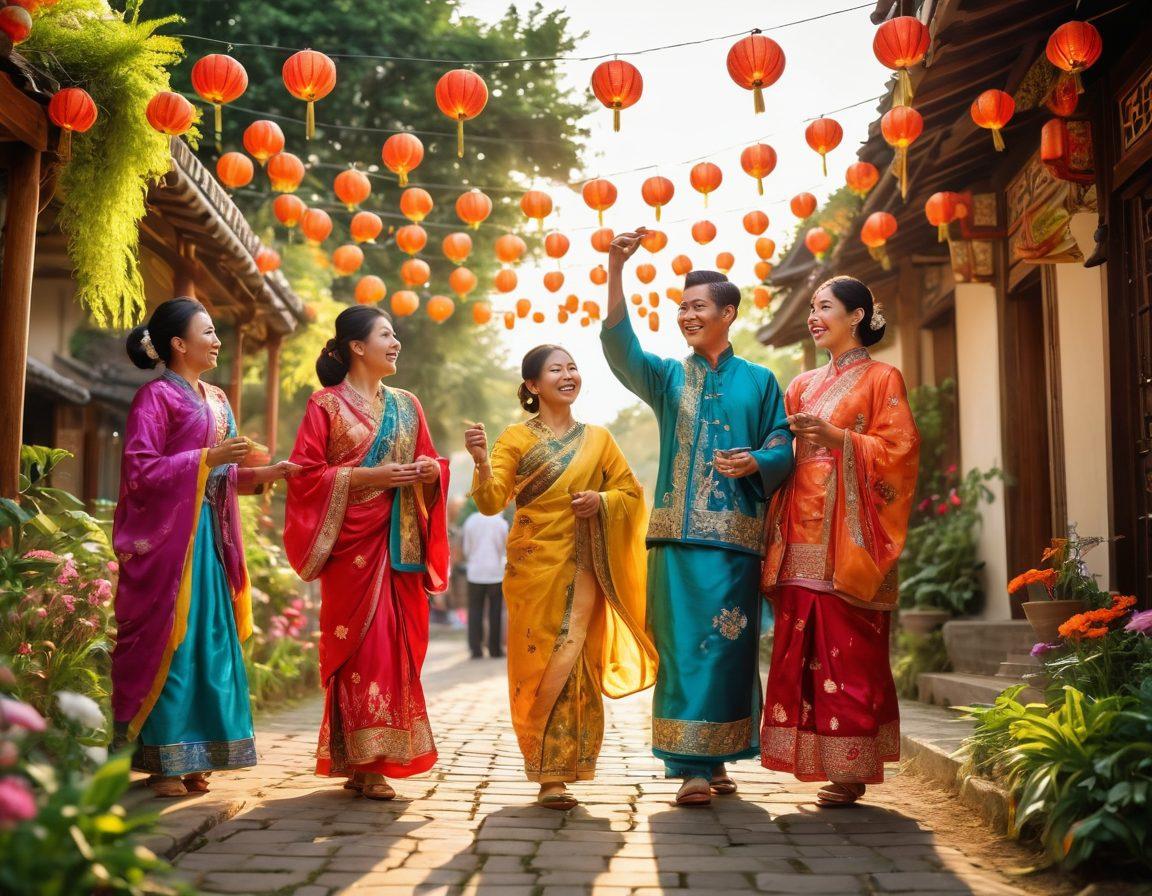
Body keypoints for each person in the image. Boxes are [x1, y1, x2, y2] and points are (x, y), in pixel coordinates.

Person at [601, 232, 794, 807]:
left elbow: (783, 444)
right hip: (674, 544)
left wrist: (754, 461)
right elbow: (619, 348)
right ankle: (690, 767)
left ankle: (718, 757)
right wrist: (615, 267)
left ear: (727, 313)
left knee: (729, 650)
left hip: (735, 545)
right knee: (683, 651)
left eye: (698, 306)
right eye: (682, 307)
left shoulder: (760, 381)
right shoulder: (665, 377)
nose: (686, 314)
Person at [111, 297, 298, 798]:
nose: (218, 341)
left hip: (211, 544)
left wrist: (265, 473)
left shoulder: (217, 399)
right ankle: (164, 761)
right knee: (172, 647)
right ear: (178, 343)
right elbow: (139, 469)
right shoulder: (154, 399)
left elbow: (224, 475)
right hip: (171, 548)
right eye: (209, 332)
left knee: (211, 646)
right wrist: (207, 456)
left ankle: (203, 752)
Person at [464, 345, 658, 810]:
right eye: (556, 370)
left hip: (586, 567)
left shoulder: (599, 438)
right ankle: (546, 772)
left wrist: (602, 502)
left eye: (572, 367)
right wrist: (480, 460)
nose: (568, 375)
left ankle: (571, 766)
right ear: (533, 385)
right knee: (537, 665)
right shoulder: (515, 438)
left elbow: (630, 493)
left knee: (578, 664)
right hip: (534, 570)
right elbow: (492, 502)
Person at [760, 275, 920, 807]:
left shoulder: (882, 377)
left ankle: (851, 769)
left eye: (824, 306)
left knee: (847, 653)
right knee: (802, 651)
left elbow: (899, 450)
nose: (813, 315)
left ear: (856, 316)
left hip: (848, 538)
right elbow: (782, 453)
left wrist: (838, 439)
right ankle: (816, 759)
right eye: (811, 307)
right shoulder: (801, 385)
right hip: (797, 534)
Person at [284, 306, 449, 801]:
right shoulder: (325, 405)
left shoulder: (407, 404)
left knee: (395, 647)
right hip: (350, 551)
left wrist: (429, 472)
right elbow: (306, 474)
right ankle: (364, 760)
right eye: (386, 335)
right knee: (361, 646)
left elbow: (432, 458)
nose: (396, 343)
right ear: (357, 347)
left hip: (399, 546)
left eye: (395, 335)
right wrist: (366, 477)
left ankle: (377, 756)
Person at [461, 500, 509, 659]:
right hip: (495, 572)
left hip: (475, 572)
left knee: (475, 611)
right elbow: (504, 549)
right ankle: (495, 649)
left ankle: (476, 649)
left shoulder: (471, 521)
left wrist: (474, 558)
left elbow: (466, 548)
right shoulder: (501, 523)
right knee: (495, 612)